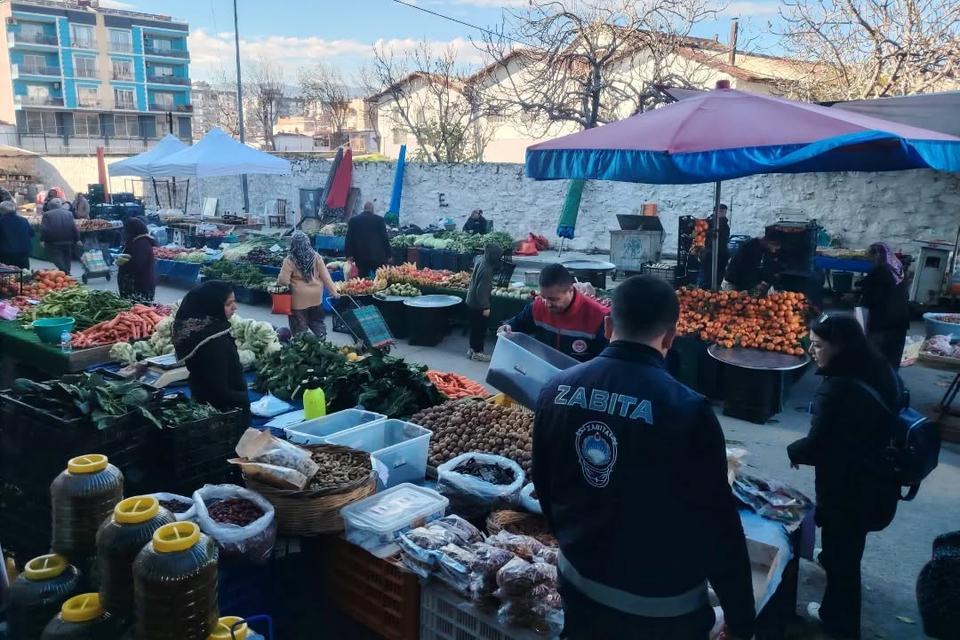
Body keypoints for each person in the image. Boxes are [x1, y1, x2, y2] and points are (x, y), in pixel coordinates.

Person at [533, 275, 756, 640]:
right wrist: (741, 617)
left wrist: (575, 542)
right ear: (670, 336)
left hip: (578, 584)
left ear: (607, 326)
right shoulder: (688, 410)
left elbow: (543, 482)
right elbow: (718, 526)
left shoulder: (555, 390)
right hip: (661, 608)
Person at [787, 314, 902, 639]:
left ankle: (839, 624)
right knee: (846, 551)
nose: (812, 350)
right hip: (879, 480)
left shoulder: (838, 388)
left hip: (849, 489)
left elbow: (817, 444)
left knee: (843, 561)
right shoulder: (880, 370)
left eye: (819, 345)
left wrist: (794, 451)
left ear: (840, 348)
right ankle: (832, 603)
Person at [499, 263, 608, 361]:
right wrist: (507, 327)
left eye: (553, 299)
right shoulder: (538, 307)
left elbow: (605, 361)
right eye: (543, 297)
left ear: (570, 290)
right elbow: (517, 324)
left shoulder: (598, 317)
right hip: (546, 372)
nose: (547, 304)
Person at [172, 281, 250, 413]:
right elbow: (219, 391)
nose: (234, 307)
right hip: (224, 412)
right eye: (228, 304)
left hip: (203, 403)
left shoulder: (198, 332)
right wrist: (244, 400)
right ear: (212, 306)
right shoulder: (215, 342)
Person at [277, 231, 340, 338]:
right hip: (316, 297)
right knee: (316, 321)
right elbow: (326, 277)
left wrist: (282, 283)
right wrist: (334, 292)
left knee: (299, 326)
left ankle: (302, 343)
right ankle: (321, 337)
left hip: (298, 300)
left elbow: (284, 280)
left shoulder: (290, 260)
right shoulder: (316, 257)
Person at [858, 243, 910, 369]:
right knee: (893, 357)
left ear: (877, 255)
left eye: (869, 256)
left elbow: (870, 298)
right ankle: (893, 385)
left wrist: (854, 298)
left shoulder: (880, 270)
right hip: (900, 320)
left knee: (876, 356)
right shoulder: (898, 269)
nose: (868, 259)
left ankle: (876, 384)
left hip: (883, 321)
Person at [465, 244, 503, 362]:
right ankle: (478, 352)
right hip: (478, 304)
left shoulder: (481, 261)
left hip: (471, 301)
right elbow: (481, 290)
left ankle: (472, 349)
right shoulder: (487, 269)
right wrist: (486, 307)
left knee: (475, 328)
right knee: (480, 329)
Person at [345, 201, 391, 278]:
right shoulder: (379, 220)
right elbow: (384, 238)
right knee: (380, 279)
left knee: (362, 281)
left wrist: (348, 254)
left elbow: (349, 238)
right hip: (377, 256)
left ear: (364, 209)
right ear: (372, 209)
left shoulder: (353, 220)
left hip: (360, 256)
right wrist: (389, 254)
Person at [116, 216, 157, 302]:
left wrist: (122, 264)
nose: (124, 232)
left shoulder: (141, 244)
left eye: (126, 230)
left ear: (132, 231)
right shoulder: (136, 241)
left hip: (140, 287)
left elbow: (136, 264)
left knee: (138, 311)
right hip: (138, 286)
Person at [39, 198, 79, 274]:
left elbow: (45, 229)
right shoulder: (69, 213)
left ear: (50, 206)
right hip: (68, 239)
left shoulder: (47, 214)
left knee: (55, 257)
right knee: (67, 257)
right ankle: (67, 272)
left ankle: (65, 272)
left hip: (53, 240)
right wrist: (77, 239)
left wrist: (42, 239)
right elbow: (74, 227)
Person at [699, 204, 730, 289]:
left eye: (724, 212)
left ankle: (714, 290)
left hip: (721, 253)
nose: (722, 213)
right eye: (720, 211)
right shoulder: (709, 222)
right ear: (715, 212)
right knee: (708, 277)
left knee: (718, 276)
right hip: (710, 253)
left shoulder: (723, 223)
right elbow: (700, 232)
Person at [0, 200, 32, 269]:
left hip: (6, 254)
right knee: (24, 274)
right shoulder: (24, 220)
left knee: (8, 275)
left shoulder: (1, 221)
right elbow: (31, 234)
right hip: (23, 252)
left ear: (1, 211)